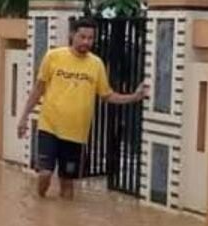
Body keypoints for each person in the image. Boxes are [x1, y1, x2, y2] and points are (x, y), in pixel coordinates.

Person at [17, 17, 146, 199]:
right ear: (72, 35)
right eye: (82, 37)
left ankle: (65, 222)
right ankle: (39, 204)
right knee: (45, 173)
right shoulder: (53, 57)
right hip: (49, 126)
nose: (86, 42)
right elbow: (38, 89)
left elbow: (107, 95)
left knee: (68, 183)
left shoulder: (96, 64)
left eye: (90, 38)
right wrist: (24, 118)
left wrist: (135, 96)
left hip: (76, 134)